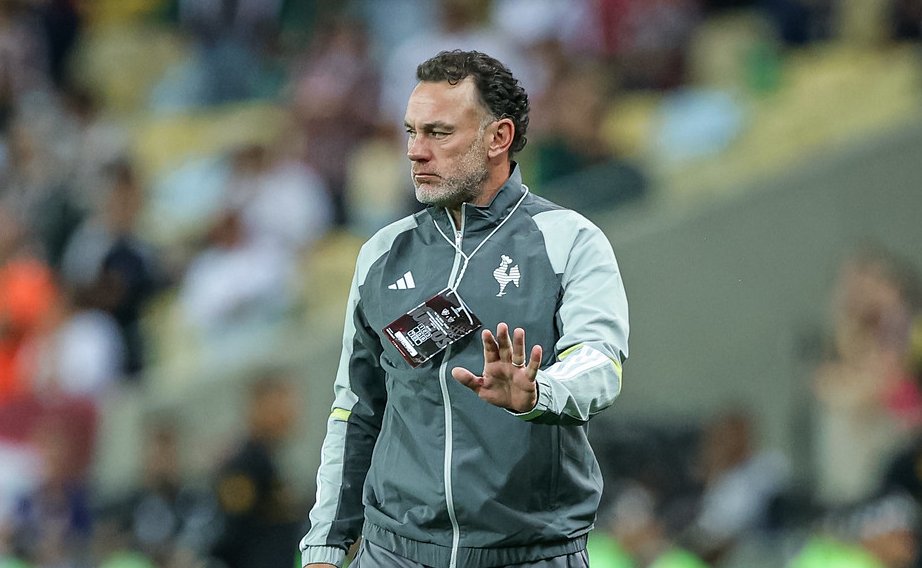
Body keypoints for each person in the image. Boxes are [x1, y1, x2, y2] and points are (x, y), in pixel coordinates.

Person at [299, 50, 630, 568]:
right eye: (411, 132)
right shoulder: (382, 254)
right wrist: (324, 544)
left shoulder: (569, 241)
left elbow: (599, 363)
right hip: (394, 552)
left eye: (439, 133)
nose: (416, 151)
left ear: (498, 137)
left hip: (529, 554)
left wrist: (539, 392)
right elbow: (354, 409)